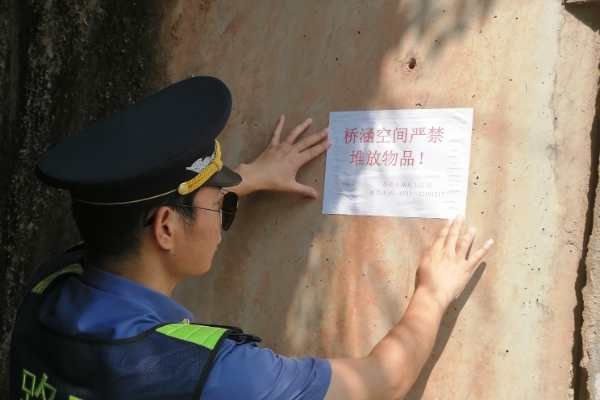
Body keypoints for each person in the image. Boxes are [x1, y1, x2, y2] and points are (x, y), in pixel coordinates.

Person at [9, 76, 493, 400]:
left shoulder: (49, 288)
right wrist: (432, 292)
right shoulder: (216, 373)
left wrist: (248, 177)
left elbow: (135, 210)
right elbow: (384, 381)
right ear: (165, 228)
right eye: (219, 207)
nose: (222, 222)